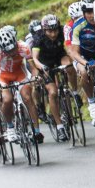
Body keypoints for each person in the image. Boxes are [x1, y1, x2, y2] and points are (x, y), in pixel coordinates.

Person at [0, 25, 42, 143]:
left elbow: (32, 67)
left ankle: (36, 131)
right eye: (8, 51)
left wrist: (35, 76)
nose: (12, 52)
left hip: (20, 73)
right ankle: (10, 127)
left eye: (13, 49)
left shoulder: (24, 47)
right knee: (7, 99)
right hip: (4, 77)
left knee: (27, 98)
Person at [65, 0, 95, 124]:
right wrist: (86, 63)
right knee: (83, 72)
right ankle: (92, 103)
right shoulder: (78, 26)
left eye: (93, 11)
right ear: (83, 13)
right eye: (88, 12)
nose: (92, 15)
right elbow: (74, 52)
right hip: (83, 57)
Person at [31, 14, 71, 142]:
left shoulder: (62, 32)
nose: (53, 34)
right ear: (44, 30)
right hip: (44, 64)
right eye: (50, 31)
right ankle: (59, 127)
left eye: (55, 30)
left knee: (69, 66)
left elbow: (69, 48)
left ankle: (73, 91)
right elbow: (35, 59)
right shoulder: (38, 38)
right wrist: (42, 67)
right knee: (53, 93)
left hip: (59, 58)